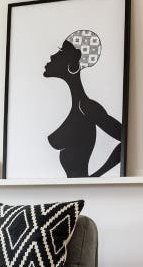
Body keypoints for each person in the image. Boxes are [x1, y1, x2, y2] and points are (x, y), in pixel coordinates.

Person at [43, 30, 122, 177]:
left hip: (83, 192)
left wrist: (96, 177)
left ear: (73, 61)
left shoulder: (86, 106)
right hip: (69, 192)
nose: (52, 56)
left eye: (60, 52)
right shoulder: (75, 105)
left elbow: (125, 140)